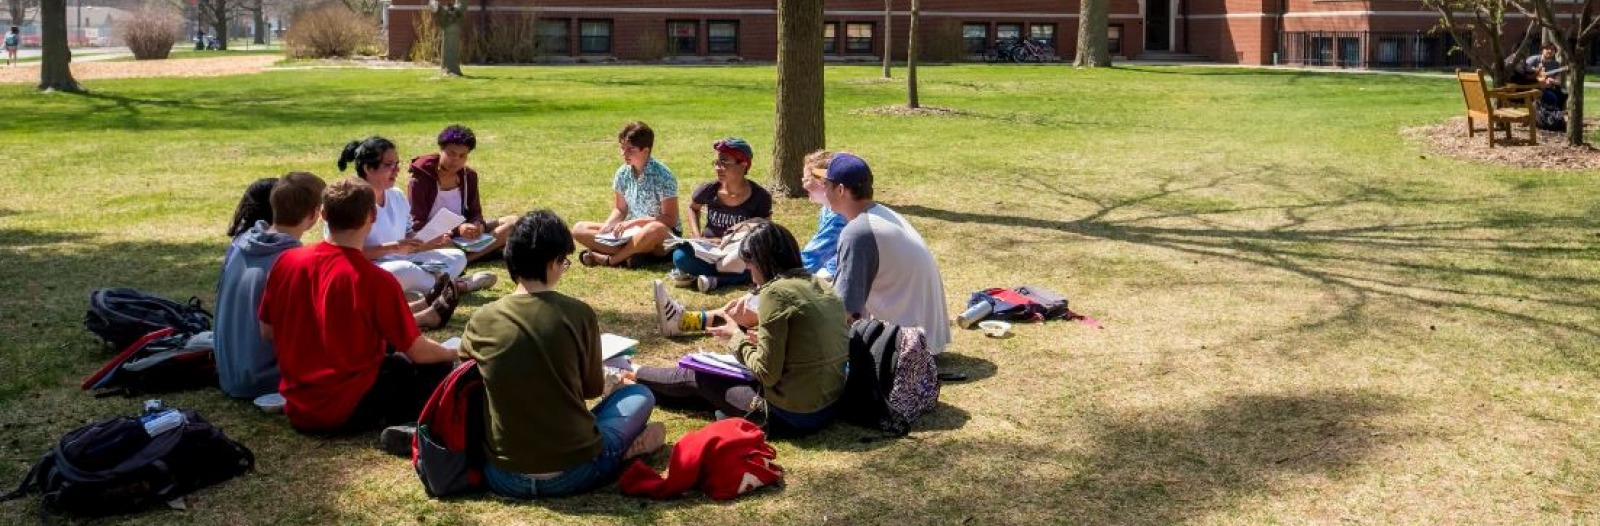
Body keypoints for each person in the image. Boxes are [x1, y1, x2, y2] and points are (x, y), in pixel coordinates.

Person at [465, 209, 666, 498]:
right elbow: (592, 389)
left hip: (503, 474)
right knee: (640, 396)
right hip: (574, 471)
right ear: (553, 261)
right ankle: (622, 455)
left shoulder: (481, 319)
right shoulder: (578, 313)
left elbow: (468, 383)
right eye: (564, 262)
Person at [258, 177, 460, 439]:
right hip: (346, 408)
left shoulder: (287, 261)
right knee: (433, 367)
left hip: (298, 406)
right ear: (372, 216)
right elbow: (420, 353)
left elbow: (268, 331)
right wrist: (457, 350)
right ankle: (411, 425)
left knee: (395, 358)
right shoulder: (374, 280)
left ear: (323, 214)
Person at [638, 220, 849, 436]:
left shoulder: (775, 294)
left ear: (764, 261)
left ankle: (631, 374)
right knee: (703, 391)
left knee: (699, 376)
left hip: (790, 416)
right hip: (829, 406)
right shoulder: (819, 284)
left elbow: (766, 373)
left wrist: (736, 337)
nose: (748, 270)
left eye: (749, 263)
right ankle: (638, 384)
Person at [823, 153, 952, 355]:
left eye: (825, 185)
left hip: (908, 350)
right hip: (928, 339)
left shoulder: (858, 232)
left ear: (840, 190)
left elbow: (843, 310)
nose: (822, 190)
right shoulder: (881, 213)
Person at [337, 136, 495, 296]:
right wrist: (392, 247)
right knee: (403, 270)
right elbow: (345, 255)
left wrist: (428, 241)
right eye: (388, 165)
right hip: (372, 267)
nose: (396, 169)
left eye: (397, 164)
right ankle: (457, 286)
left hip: (404, 259)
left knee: (457, 256)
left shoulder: (396, 195)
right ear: (368, 168)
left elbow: (408, 233)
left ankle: (420, 290)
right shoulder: (351, 201)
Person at [215, 173, 325, 400]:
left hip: (227, 372)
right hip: (263, 381)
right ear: (314, 214)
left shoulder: (241, 243)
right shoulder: (293, 260)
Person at [665, 137, 772, 292]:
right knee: (680, 256)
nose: (718, 168)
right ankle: (726, 278)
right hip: (709, 250)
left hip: (738, 253)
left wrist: (730, 242)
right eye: (716, 162)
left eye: (724, 163)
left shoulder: (760, 197)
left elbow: (765, 231)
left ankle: (716, 279)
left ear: (743, 165)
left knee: (760, 262)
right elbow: (693, 208)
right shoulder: (708, 190)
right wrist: (697, 236)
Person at [572, 121, 679, 267]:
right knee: (579, 229)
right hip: (629, 234)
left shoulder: (663, 175)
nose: (624, 153)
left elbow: (670, 219)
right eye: (622, 148)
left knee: (654, 229)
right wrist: (608, 225)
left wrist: (634, 222)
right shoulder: (622, 173)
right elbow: (620, 209)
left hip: (658, 235)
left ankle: (612, 259)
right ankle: (631, 256)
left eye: (630, 149)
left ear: (646, 150)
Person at [408, 124, 519, 263]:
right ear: (441, 150)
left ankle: (473, 252)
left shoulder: (469, 176)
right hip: (438, 237)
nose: (456, 160)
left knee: (513, 222)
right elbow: (416, 224)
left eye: (462, 156)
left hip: (464, 235)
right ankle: (471, 258)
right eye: (451, 153)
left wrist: (477, 225)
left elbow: (475, 212)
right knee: (444, 243)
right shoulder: (420, 180)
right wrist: (457, 230)